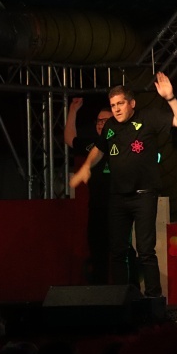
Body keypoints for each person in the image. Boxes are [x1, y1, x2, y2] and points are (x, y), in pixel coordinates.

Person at [70, 73, 177, 298]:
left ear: (132, 103)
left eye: (120, 104)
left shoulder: (149, 117)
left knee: (145, 250)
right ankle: (122, 297)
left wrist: (170, 98)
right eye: (113, 105)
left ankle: (153, 298)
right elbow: (99, 149)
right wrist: (86, 166)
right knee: (118, 250)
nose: (116, 109)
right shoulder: (110, 126)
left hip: (143, 194)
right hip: (117, 196)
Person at [65, 97, 117, 284]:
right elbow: (70, 139)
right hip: (96, 207)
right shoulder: (92, 145)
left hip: (119, 207)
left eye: (106, 120)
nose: (101, 124)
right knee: (97, 251)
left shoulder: (123, 143)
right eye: (99, 121)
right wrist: (73, 110)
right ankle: (100, 290)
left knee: (121, 251)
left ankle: (127, 289)